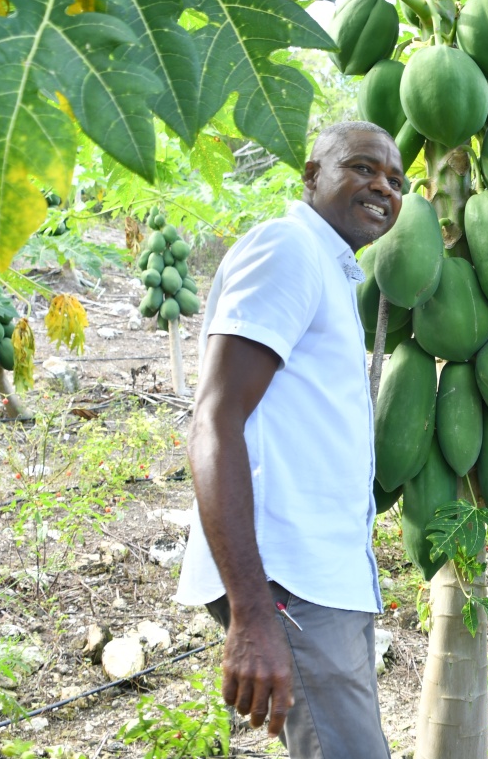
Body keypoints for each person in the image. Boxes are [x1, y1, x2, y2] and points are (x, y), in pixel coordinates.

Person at [174, 122, 405, 758]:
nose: (382, 186)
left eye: (395, 179)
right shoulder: (288, 249)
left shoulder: (329, 268)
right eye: (361, 168)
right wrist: (251, 613)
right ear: (310, 175)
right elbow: (214, 420)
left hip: (320, 577)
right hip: (286, 580)